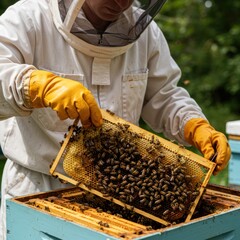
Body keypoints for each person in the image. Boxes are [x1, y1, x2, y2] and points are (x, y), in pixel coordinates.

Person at [0, 0, 231, 239]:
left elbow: (164, 95)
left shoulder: (145, 33)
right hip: (39, 190)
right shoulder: (27, 19)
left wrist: (193, 124)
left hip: (121, 199)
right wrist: (36, 86)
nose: (121, 2)